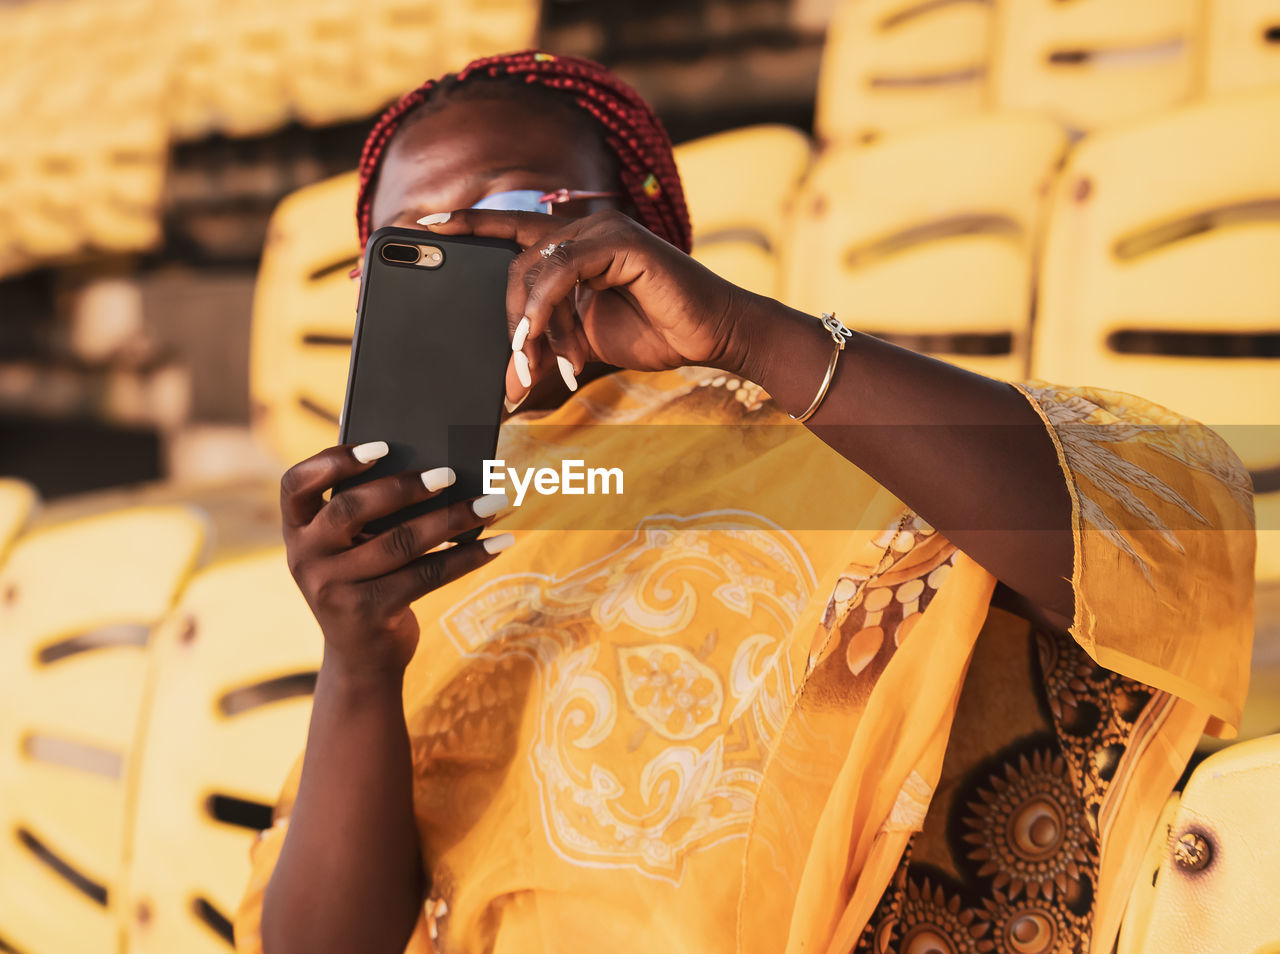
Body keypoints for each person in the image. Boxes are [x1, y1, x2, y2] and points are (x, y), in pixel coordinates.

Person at [234, 51, 1255, 954]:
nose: (473, 261)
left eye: (513, 214)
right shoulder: (410, 544)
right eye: (417, 244)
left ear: (634, 230)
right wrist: (360, 664)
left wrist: (747, 338)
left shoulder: (826, 431)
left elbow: (1152, 530)